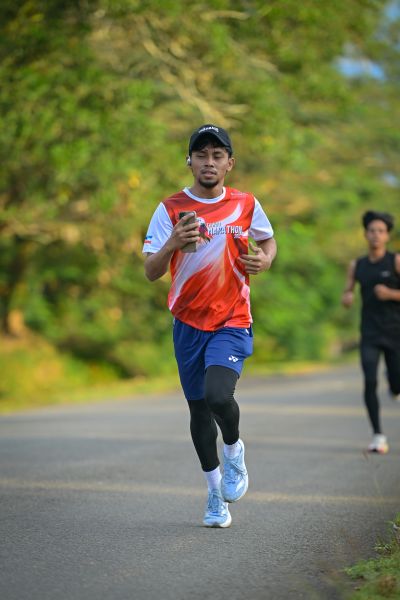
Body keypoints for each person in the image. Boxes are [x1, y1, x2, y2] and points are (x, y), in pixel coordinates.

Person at [142, 124, 277, 527]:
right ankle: (215, 493)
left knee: (218, 395)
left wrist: (266, 259)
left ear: (229, 163)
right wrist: (172, 243)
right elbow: (150, 271)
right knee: (199, 409)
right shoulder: (169, 209)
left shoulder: (246, 204)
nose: (209, 162)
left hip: (232, 319)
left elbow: (268, 240)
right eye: (201, 154)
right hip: (187, 323)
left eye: (217, 155)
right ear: (189, 161)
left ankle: (234, 450)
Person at [342, 210, 400, 454]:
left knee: (397, 383)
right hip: (370, 333)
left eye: (380, 231)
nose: (376, 235)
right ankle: (378, 435)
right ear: (365, 234)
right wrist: (347, 296)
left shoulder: (396, 261)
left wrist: (390, 294)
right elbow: (348, 290)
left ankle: (394, 385)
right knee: (369, 380)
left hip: (396, 333)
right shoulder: (357, 265)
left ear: (387, 236)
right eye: (372, 231)